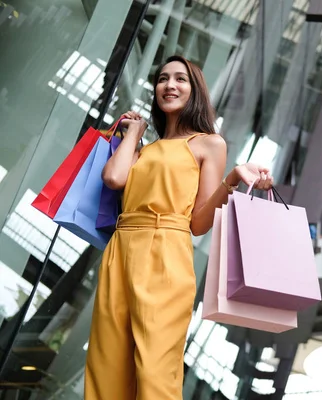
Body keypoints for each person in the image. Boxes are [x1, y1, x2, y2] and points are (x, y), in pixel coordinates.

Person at [84, 55, 273, 399]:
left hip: (166, 251)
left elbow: (198, 223)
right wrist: (134, 134)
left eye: (180, 79)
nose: (169, 85)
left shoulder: (208, 144)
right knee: (106, 363)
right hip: (120, 250)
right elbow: (113, 177)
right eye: (162, 79)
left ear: (195, 90)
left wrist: (231, 179)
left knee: (155, 366)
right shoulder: (143, 150)